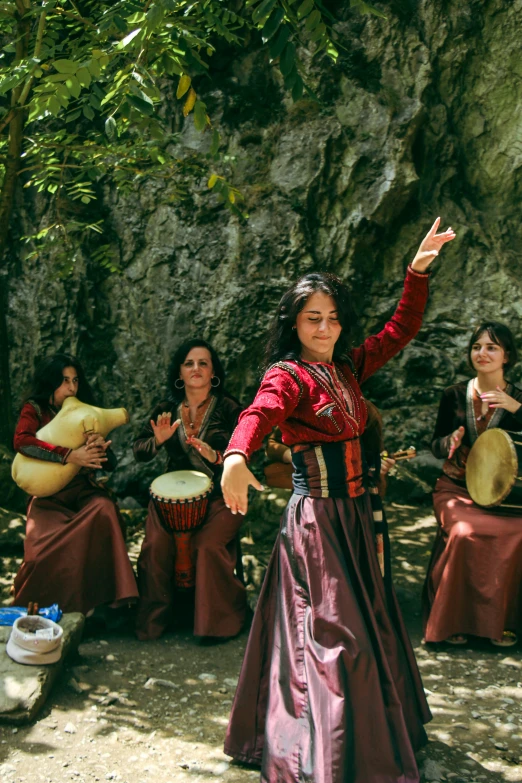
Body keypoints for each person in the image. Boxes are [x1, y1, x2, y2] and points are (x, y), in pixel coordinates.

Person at [221, 219, 456, 783]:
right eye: (312, 319)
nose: (325, 328)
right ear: (295, 324)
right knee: (335, 640)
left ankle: (368, 741)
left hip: (353, 518)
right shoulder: (289, 376)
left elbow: (400, 330)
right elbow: (258, 413)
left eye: (331, 318)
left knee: (366, 626)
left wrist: (417, 270)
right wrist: (235, 456)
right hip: (317, 525)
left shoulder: (347, 367)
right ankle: (325, 757)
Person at [133, 339, 246, 641]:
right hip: (171, 499)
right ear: (179, 372)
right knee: (155, 546)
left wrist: (218, 456)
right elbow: (139, 451)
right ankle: (155, 622)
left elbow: (250, 449)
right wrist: (157, 440)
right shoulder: (166, 409)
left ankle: (215, 624)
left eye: (203, 363)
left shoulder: (230, 407)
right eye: (189, 363)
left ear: (213, 372)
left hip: (223, 496)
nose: (196, 369)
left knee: (207, 546)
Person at [13, 353, 138, 616]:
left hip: (83, 491)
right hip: (48, 498)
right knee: (37, 555)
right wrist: (69, 455)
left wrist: (100, 450)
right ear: (50, 383)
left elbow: (108, 464)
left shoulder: (86, 410)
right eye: (64, 381)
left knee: (104, 510)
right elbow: (22, 441)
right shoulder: (34, 409)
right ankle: (44, 610)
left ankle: (103, 607)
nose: (71, 388)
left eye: (75, 380)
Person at [423, 321, 522, 647]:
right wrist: (448, 442)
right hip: (456, 488)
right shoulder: (453, 395)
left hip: (506, 498)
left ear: (506, 356)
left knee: (516, 534)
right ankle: (453, 624)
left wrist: (517, 409)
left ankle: (500, 625)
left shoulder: (519, 397)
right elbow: (434, 444)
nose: (482, 353)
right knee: (465, 533)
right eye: (477, 347)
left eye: (491, 347)